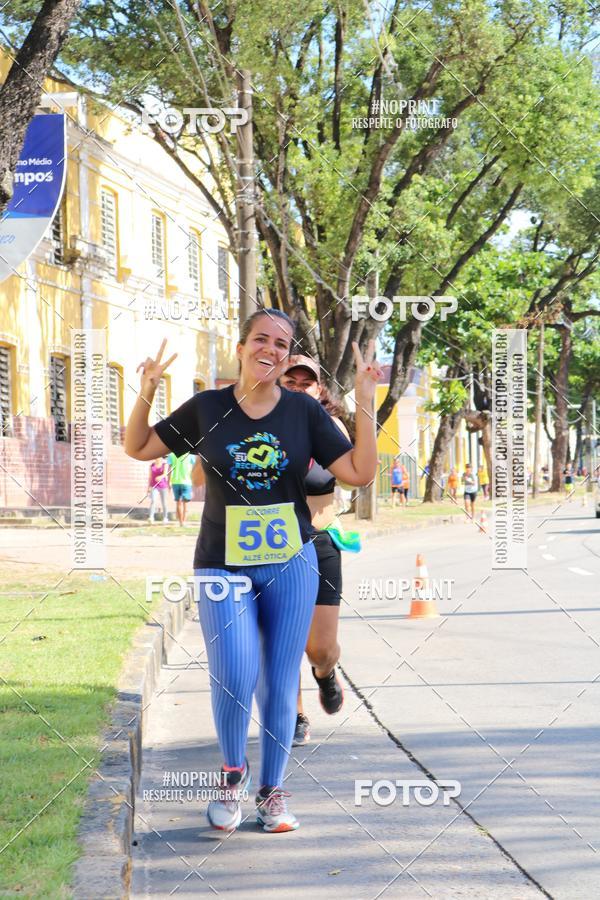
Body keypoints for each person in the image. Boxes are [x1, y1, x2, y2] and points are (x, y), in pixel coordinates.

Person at [124, 310, 381, 834]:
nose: (271, 349)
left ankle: (273, 791)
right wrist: (147, 388)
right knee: (236, 673)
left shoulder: (304, 413)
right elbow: (138, 447)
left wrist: (366, 400)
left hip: (291, 562)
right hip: (222, 563)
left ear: (288, 356)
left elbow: (358, 472)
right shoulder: (208, 408)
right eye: (260, 339)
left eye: (282, 344)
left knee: (282, 680)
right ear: (241, 348)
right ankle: (231, 776)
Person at [278, 354, 354, 747]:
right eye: (289, 380)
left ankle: (326, 673)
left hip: (320, 541)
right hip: (273, 547)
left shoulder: (332, 426)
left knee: (319, 647)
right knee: (285, 640)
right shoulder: (260, 426)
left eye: (305, 382)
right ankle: (294, 714)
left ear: (319, 388)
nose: (297, 386)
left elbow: (354, 471)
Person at [168, 450, 195, 525]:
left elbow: (169, 470)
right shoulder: (190, 455)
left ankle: (181, 522)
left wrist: (168, 482)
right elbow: (194, 469)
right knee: (184, 503)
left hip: (176, 481)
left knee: (179, 502)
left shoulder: (172, 455)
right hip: (186, 482)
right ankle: (183, 522)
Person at [148, 457, 170, 523]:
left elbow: (165, 474)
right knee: (153, 501)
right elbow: (150, 477)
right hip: (154, 486)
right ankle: (151, 517)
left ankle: (165, 518)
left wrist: (160, 477)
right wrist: (148, 487)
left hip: (163, 486)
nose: (157, 458)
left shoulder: (165, 465)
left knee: (164, 502)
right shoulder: (152, 465)